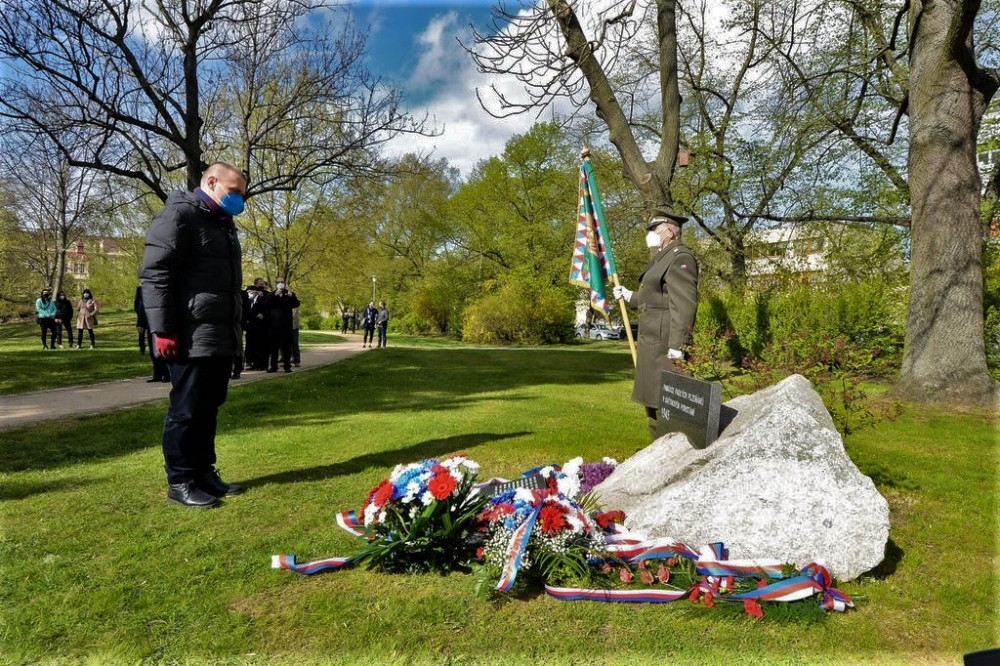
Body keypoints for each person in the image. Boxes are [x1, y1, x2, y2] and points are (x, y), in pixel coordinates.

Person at [138, 161, 247, 508]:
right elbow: (156, 274)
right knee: (186, 409)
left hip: (217, 333)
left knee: (209, 406)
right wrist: (164, 330)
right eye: (234, 192)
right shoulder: (179, 216)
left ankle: (203, 472)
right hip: (188, 333)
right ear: (211, 181)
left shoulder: (223, 224)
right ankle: (181, 479)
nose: (239, 200)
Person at [612, 210, 699, 441]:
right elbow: (652, 297)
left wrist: (679, 344)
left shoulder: (680, 258)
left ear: (670, 231)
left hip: (665, 347)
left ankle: (670, 458)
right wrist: (629, 295)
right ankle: (655, 456)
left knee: (667, 407)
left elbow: (684, 304)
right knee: (652, 405)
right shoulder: (660, 258)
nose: (649, 235)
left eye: (654, 230)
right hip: (651, 345)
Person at [134, 285, 169, 382]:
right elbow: (138, 307)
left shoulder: (161, 286)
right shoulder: (141, 289)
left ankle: (167, 373)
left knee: (162, 347)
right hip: (148, 322)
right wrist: (140, 323)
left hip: (160, 320)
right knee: (153, 350)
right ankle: (157, 374)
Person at [266, 277, 299, 373]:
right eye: (278, 282)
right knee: (274, 347)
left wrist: (291, 296)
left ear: (285, 283)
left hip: (286, 324)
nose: (280, 283)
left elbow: (296, 304)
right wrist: (274, 295)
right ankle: (273, 366)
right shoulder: (271, 294)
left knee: (287, 347)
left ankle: (287, 366)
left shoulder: (289, 294)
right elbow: (266, 304)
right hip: (274, 325)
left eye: (282, 282)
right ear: (275, 283)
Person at [245, 279, 270, 370]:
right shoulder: (250, 298)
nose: (262, 286)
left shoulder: (265, 296)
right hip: (251, 326)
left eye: (263, 284)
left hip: (262, 326)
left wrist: (263, 314)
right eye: (260, 284)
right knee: (252, 345)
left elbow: (268, 308)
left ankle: (262, 365)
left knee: (262, 346)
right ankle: (253, 363)